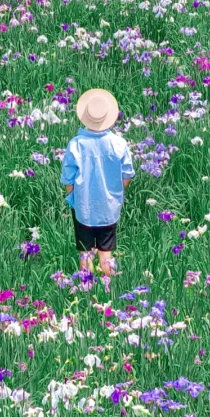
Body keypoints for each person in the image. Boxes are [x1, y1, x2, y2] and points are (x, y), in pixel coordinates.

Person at [61, 88, 134, 284]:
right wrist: (115, 193)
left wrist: (73, 200)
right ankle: (108, 289)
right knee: (106, 251)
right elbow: (127, 175)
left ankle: (86, 291)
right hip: (109, 206)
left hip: (83, 206)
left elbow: (68, 179)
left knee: (85, 253)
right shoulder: (119, 143)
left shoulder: (76, 144)